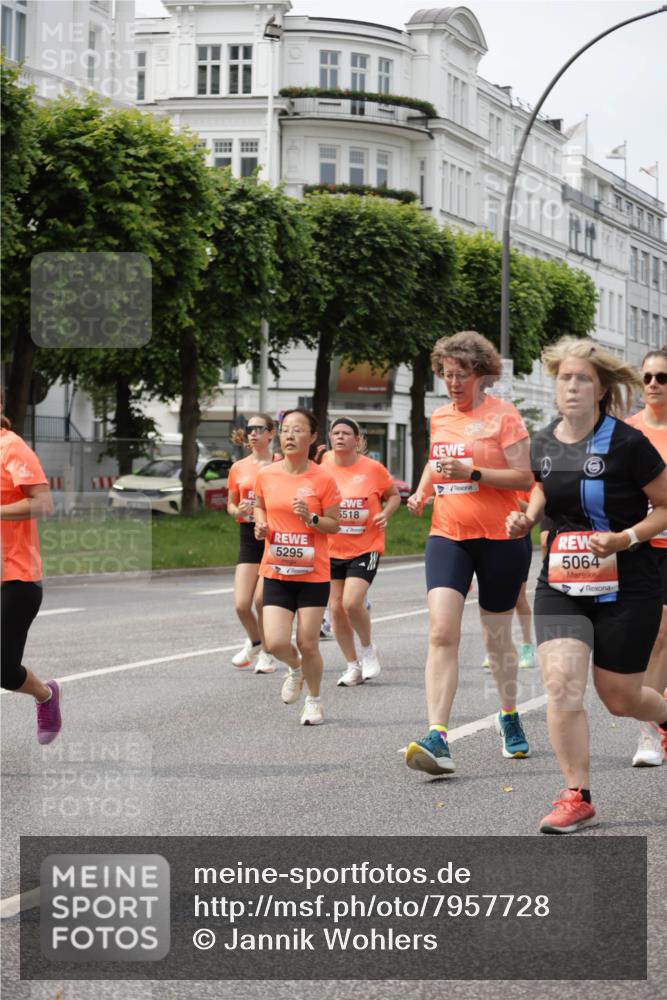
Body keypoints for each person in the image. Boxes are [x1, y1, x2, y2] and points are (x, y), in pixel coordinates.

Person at [507, 336, 667, 834]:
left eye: (582, 379)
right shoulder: (543, 441)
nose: (572, 386)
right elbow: (543, 488)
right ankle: (577, 794)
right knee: (561, 683)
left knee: (621, 698)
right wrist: (527, 518)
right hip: (561, 582)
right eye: (565, 378)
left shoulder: (627, 443)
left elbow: (665, 505)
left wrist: (625, 537)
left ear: (600, 390)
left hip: (629, 582)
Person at [405, 331, 534, 776]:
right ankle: (437, 735)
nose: (454, 382)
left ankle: (509, 713)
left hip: (501, 538)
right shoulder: (440, 416)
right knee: (442, 631)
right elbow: (435, 460)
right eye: (447, 374)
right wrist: (422, 491)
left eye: (462, 374)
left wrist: (473, 471)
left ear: (482, 374)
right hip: (449, 535)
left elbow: (524, 478)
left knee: (496, 637)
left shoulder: (504, 415)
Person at [253, 409, 341, 726]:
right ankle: (295, 667)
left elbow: (334, 524)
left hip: (312, 574)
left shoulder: (322, 478)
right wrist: (261, 525)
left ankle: (314, 701)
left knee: (308, 642)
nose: (289, 435)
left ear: (313, 437)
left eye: (298, 430)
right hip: (277, 570)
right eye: (285, 429)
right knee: (276, 642)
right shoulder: (267, 475)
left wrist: (311, 518)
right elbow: (260, 505)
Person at [321, 418, 400, 686]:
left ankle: (368, 649)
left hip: (366, 547)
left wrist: (385, 514)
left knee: (352, 602)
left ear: (356, 440)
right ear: (330, 437)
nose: (340, 437)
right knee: (335, 610)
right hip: (331, 548)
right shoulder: (323, 465)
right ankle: (352, 665)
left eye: (346, 433)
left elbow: (394, 495)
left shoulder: (372, 469)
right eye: (336, 433)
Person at [1, 411, 61, 743]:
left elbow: (43, 503)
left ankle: (45, 694)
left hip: (15, 577)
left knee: (4, 670)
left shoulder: (11, 447)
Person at [626, 348, 667, 766]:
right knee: (648, 638)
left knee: (662, 636)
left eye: (662, 377)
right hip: (638, 546)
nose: (653, 384)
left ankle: (649, 733)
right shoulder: (628, 432)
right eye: (648, 377)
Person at [226, 415, 277, 673]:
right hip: (248, 536)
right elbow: (231, 504)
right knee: (241, 604)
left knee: (261, 600)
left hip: (273, 536)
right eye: (250, 429)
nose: (253, 433)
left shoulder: (281, 464)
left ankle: (267, 653)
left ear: (271, 433)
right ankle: (256, 641)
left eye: (259, 429)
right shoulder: (238, 467)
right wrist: (238, 511)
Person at [482, 490, 535, 670]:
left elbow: (534, 510)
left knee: (518, 597)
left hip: (517, 538)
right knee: (491, 596)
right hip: (489, 536)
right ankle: (495, 647)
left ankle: (527, 646)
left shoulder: (526, 480)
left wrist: (506, 497)